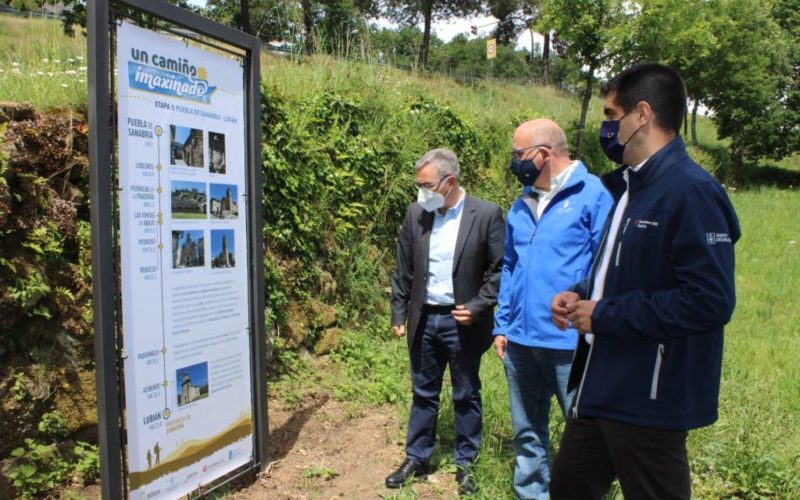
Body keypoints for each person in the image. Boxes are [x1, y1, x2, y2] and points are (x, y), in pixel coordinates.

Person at [549, 63, 741, 499]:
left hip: (650, 396)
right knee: (568, 488)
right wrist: (580, 295)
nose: (605, 127)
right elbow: (624, 272)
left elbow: (710, 300)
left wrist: (605, 315)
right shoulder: (631, 188)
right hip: (601, 384)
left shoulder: (691, 192)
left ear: (642, 114)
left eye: (610, 115)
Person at [494, 119, 612, 499]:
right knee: (527, 432)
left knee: (585, 436)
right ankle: (531, 493)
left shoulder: (594, 196)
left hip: (570, 343)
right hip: (521, 341)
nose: (514, 162)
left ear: (543, 154)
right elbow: (510, 266)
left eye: (518, 154)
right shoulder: (521, 202)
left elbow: (606, 268)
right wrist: (502, 324)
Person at [388, 148, 505, 495]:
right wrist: (398, 310)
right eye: (418, 185)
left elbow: (500, 269)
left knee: (466, 392)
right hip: (424, 318)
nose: (420, 192)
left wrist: (479, 305)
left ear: (449, 182)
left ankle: (466, 463)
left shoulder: (486, 214)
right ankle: (417, 457)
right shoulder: (416, 214)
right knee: (423, 391)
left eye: (426, 186)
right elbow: (403, 267)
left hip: (462, 321)